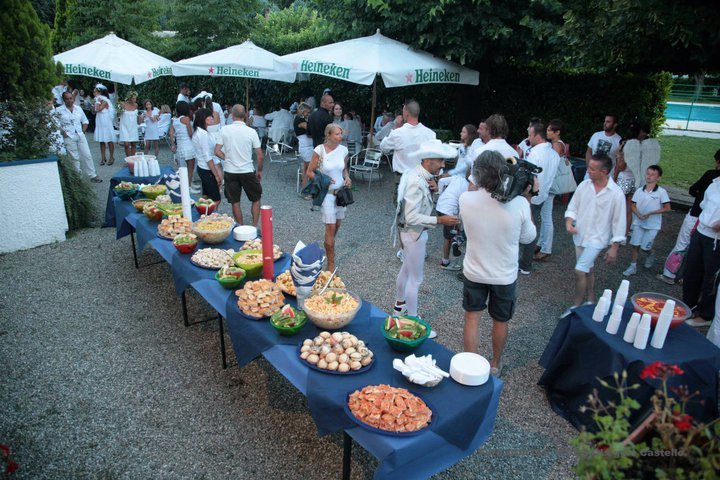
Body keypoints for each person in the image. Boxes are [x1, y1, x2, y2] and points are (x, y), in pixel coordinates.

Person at [461, 150, 537, 375]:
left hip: (474, 270)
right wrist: (528, 200)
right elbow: (529, 238)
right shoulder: (520, 204)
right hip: (504, 274)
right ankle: (495, 364)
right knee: (500, 320)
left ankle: (471, 366)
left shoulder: (465, 200)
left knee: (472, 317)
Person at [393, 140, 459, 329]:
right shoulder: (416, 180)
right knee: (416, 278)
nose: (443, 165)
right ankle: (413, 322)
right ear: (429, 160)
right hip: (414, 234)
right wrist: (440, 220)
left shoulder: (418, 174)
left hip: (411, 233)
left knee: (406, 269)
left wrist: (434, 191)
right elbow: (411, 216)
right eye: (440, 160)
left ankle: (399, 308)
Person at [562, 153, 626, 317]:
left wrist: (614, 247)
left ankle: (576, 306)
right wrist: (569, 221)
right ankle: (591, 299)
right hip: (580, 235)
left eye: (592, 168)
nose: (588, 170)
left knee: (579, 270)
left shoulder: (616, 193)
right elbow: (573, 207)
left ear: (604, 172)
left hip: (598, 239)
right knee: (588, 269)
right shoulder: (584, 186)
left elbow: (619, 222)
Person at [658, 149, 720, 285]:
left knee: (682, 244)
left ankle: (669, 274)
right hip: (711, 225)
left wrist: (700, 196)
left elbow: (693, 189)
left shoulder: (711, 175)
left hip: (696, 215)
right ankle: (687, 277)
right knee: (700, 251)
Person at [306, 123, 351, 272]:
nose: (341, 136)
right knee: (330, 227)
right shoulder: (319, 150)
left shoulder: (344, 150)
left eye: (341, 133)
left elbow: (344, 169)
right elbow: (310, 172)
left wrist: (347, 177)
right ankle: (331, 264)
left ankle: (328, 245)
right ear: (329, 135)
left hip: (340, 194)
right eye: (337, 134)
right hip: (327, 195)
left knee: (336, 226)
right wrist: (323, 179)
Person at [518, 121, 560, 274]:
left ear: (537, 135)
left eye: (530, 135)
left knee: (527, 227)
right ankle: (525, 262)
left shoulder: (535, 153)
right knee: (534, 225)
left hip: (530, 196)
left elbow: (528, 178)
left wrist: (523, 195)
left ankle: (525, 264)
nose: (528, 138)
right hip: (542, 195)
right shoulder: (554, 154)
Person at [214, 105, 264, 226]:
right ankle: (254, 226)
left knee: (235, 201)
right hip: (247, 169)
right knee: (256, 199)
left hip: (230, 170)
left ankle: (240, 226)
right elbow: (260, 155)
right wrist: (259, 171)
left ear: (232, 115)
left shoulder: (224, 130)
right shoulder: (251, 132)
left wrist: (227, 158)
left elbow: (216, 151)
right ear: (245, 115)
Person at [682, 173, 720, 327]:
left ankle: (705, 315)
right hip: (701, 232)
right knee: (691, 271)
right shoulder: (714, 183)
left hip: (717, 239)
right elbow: (704, 205)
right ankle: (688, 306)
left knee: (710, 277)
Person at [622, 165, 671, 276]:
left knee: (645, 247)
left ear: (658, 178)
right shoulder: (639, 190)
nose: (649, 176)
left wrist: (650, 213)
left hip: (653, 225)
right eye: (648, 173)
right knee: (635, 245)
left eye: (653, 175)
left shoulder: (661, 192)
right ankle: (633, 266)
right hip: (639, 223)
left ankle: (650, 253)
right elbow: (633, 205)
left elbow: (667, 208)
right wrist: (638, 214)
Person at [538, 119, 568, 259]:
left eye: (550, 130)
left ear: (557, 132)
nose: (547, 132)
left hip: (550, 185)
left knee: (546, 217)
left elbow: (552, 165)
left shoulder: (556, 145)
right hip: (550, 184)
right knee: (545, 216)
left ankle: (545, 248)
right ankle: (542, 243)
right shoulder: (556, 144)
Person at [55, 91, 102, 183]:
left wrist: (83, 131)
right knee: (74, 158)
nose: (69, 100)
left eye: (71, 98)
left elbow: (85, 121)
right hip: (68, 136)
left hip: (80, 134)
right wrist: (63, 132)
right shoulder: (59, 110)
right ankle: (78, 178)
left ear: (73, 98)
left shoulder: (78, 109)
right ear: (64, 100)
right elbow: (56, 123)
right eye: (67, 99)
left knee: (87, 155)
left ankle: (92, 175)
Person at [380, 100, 436, 174]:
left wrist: (395, 128)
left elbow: (383, 147)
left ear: (406, 113)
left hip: (403, 178)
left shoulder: (397, 133)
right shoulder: (431, 134)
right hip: (423, 178)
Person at [437, 168, 470, 271]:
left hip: (440, 205)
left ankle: (456, 239)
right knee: (448, 237)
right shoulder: (469, 188)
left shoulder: (457, 178)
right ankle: (445, 262)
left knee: (453, 230)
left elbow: (441, 181)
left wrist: (440, 192)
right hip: (450, 211)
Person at [192, 108, 223, 206]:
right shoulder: (202, 133)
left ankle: (204, 215)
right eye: (211, 117)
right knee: (216, 199)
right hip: (206, 168)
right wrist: (216, 175)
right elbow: (207, 156)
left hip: (203, 167)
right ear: (205, 119)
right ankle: (210, 218)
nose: (213, 119)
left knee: (206, 197)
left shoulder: (202, 131)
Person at [169, 101, 196, 184]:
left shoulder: (174, 120)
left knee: (182, 169)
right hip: (188, 145)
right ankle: (189, 185)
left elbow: (171, 133)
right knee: (190, 167)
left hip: (180, 147)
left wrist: (173, 145)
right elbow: (190, 133)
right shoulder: (186, 119)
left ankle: (185, 184)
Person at [92, 84, 115, 166]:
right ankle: (103, 157)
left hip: (106, 120)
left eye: (95, 91)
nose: (93, 93)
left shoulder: (105, 101)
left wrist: (97, 102)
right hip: (99, 121)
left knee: (109, 139)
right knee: (101, 139)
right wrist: (94, 104)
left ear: (99, 92)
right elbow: (93, 112)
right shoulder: (96, 100)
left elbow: (98, 109)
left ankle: (111, 157)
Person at [294, 102, 313, 193]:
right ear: (303, 111)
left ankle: (305, 188)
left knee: (306, 168)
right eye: (307, 112)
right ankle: (306, 189)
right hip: (305, 147)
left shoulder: (299, 119)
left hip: (306, 146)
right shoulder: (300, 120)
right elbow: (310, 130)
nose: (308, 114)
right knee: (308, 169)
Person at [118, 92, 140, 157]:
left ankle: (132, 159)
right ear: (129, 98)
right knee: (126, 144)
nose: (134, 100)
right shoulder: (123, 104)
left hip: (133, 126)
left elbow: (136, 116)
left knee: (133, 144)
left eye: (135, 98)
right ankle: (128, 159)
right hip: (124, 126)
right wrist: (119, 110)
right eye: (133, 98)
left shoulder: (136, 105)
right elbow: (117, 115)